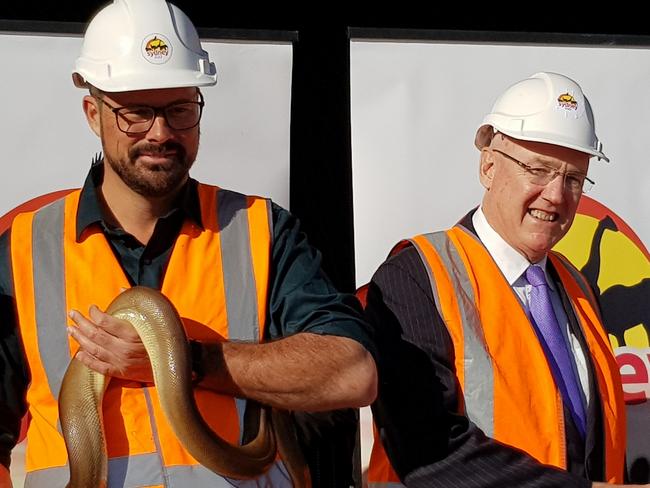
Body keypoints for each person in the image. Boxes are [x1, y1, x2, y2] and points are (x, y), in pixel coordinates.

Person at [0, 0, 377, 486]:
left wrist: (186, 360)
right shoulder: (23, 249)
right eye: (136, 112)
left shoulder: (261, 229)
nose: (161, 132)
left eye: (179, 109)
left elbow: (352, 372)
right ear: (94, 113)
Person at [364, 72, 644, 487]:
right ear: (488, 166)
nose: (556, 195)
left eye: (573, 179)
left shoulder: (577, 287)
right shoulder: (414, 277)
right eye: (538, 170)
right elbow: (427, 449)